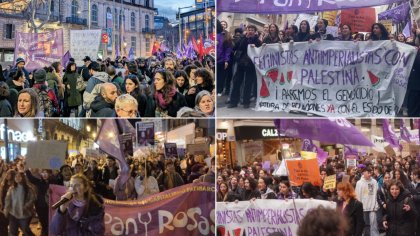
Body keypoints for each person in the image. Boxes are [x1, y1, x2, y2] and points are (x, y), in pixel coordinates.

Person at [228, 24, 262, 109]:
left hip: (251, 65)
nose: (250, 31)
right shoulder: (242, 38)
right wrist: (245, 38)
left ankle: (246, 102)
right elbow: (237, 47)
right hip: (241, 63)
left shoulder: (257, 41)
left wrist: (255, 47)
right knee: (237, 82)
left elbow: (260, 51)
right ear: (247, 30)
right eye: (249, 29)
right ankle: (233, 101)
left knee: (248, 84)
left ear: (255, 32)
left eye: (252, 30)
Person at [355, 167, 379, 236]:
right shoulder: (359, 183)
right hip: (363, 207)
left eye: (370, 173)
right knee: (364, 224)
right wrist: (358, 207)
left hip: (372, 206)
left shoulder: (374, 181)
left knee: (373, 224)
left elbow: (377, 193)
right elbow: (357, 195)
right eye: (368, 173)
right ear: (363, 173)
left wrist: (376, 204)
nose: (369, 174)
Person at [216, 20, 233, 96]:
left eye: (224, 24)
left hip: (222, 60)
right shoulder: (215, 35)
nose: (222, 25)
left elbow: (228, 49)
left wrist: (226, 60)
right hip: (215, 59)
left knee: (221, 76)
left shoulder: (226, 36)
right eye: (221, 24)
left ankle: (219, 90)